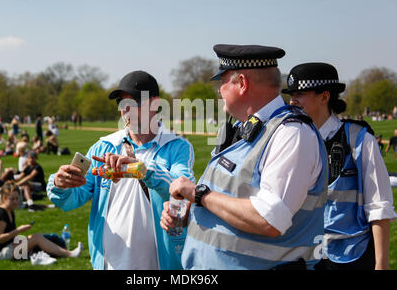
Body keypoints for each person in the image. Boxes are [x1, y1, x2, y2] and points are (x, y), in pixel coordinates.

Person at [160, 44, 328, 270]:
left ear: (241, 83)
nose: (219, 90)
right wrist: (190, 209)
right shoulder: (242, 129)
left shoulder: (291, 133)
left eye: (223, 81)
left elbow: (269, 219)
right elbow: (227, 198)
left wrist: (199, 195)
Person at [47, 70, 195, 270]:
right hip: (109, 264)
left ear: (155, 103)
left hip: (158, 265)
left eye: (133, 103)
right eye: (121, 104)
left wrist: (142, 169)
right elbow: (73, 198)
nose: (126, 109)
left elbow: (181, 190)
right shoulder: (103, 147)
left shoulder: (177, 147)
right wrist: (60, 184)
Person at [281, 62, 396, 270]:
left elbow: (379, 206)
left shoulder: (360, 139)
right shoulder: (292, 140)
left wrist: (381, 265)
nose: (292, 101)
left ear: (324, 97)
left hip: (350, 258)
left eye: (299, 94)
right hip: (302, 257)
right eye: (291, 95)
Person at [0, 181, 83, 260]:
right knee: (36, 238)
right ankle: (70, 254)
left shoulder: (9, 211)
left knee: (36, 237)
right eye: (12, 199)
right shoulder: (0, 214)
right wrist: (19, 230)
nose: (16, 201)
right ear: (4, 198)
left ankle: (63, 252)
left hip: (7, 247)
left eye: (17, 198)